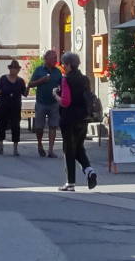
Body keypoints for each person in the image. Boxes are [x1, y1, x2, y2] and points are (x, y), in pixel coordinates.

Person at [57, 51, 97, 192]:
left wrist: (55, 95)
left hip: (69, 118)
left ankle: (70, 183)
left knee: (69, 149)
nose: (63, 66)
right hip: (83, 118)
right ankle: (89, 171)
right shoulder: (85, 79)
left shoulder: (66, 79)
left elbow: (65, 102)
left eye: (63, 64)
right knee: (79, 147)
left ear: (69, 65)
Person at [29, 50, 63, 157]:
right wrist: (41, 80)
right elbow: (30, 84)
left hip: (54, 103)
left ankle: (51, 150)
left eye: (56, 58)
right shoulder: (39, 70)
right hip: (41, 103)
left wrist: (60, 90)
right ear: (46, 59)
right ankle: (39, 144)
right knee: (39, 127)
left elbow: (62, 85)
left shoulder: (58, 71)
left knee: (53, 126)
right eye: (53, 58)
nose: (55, 60)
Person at [0, 60, 27, 156]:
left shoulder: (20, 81)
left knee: (16, 126)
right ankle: (1, 145)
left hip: (15, 107)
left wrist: (29, 87)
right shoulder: (3, 79)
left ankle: (15, 148)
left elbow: (25, 93)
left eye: (16, 68)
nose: (14, 70)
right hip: (3, 106)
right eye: (12, 68)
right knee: (2, 125)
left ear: (18, 70)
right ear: (10, 69)